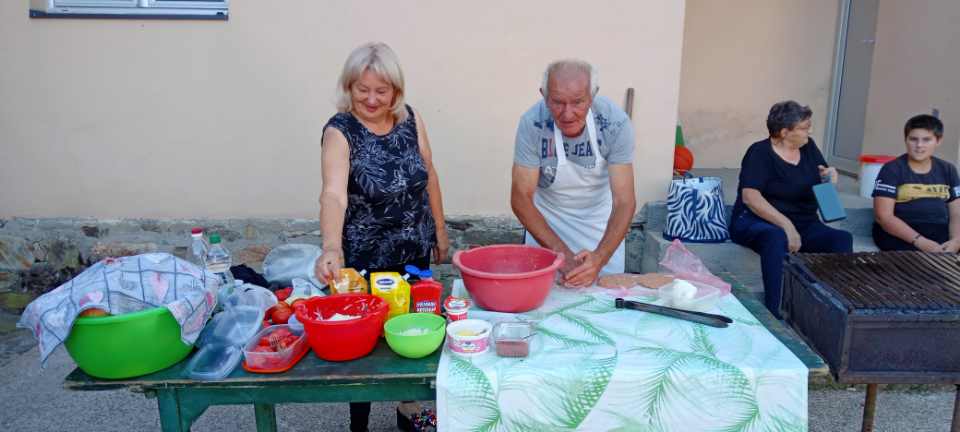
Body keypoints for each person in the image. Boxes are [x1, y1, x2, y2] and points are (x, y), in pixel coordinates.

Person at [314, 42, 448, 432]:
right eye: (362, 89)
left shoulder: (411, 119)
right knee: (364, 342)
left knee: (414, 330)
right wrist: (331, 247)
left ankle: (409, 410)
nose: (372, 99)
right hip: (365, 258)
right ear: (349, 88)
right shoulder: (340, 131)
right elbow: (333, 193)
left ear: (396, 91)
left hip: (413, 250)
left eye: (381, 90)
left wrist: (440, 230)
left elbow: (429, 174)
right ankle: (359, 423)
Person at [510, 59, 636, 287]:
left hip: (600, 230)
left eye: (578, 102)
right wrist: (564, 257)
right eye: (557, 102)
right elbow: (521, 198)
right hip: (547, 228)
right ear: (544, 95)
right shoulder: (532, 124)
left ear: (592, 95)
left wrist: (599, 258)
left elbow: (624, 201)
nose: (567, 114)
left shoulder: (614, 123)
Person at [729, 101, 853, 319]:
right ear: (784, 132)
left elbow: (829, 206)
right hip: (756, 220)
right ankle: (776, 311)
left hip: (804, 222)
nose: (809, 132)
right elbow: (750, 197)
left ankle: (834, 309)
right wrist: (786, 226)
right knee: (775, 237)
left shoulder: (809, 148)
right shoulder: (760, 152)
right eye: (804, 128)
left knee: (841, 239)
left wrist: (830, 183)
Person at [872, 114, 960, 252]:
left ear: (938, 141)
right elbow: (883, 216)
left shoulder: (948, 169)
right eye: (913, 139)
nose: (919, 145)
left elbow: (957, 213)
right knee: (920, 262)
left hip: (939, 229)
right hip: (901, 233)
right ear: (905, 140)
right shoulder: (892, 169)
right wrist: (920, 241)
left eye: (926, 140)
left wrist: (956, 240)